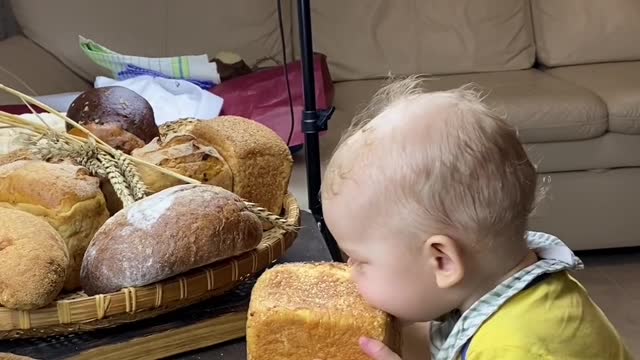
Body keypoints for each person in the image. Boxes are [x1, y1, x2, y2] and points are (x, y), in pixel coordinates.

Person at [320, 77, 632, 360]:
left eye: (360, 259)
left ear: (442, 261)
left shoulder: (514, 347)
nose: (349, 268)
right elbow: (443, 338)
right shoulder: (497, 290)